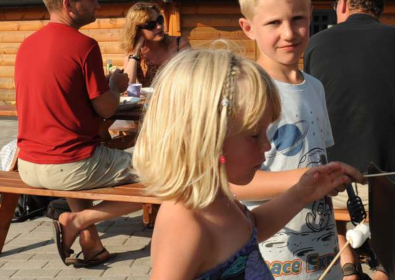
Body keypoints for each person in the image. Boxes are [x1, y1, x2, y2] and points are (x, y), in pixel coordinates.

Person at [134, 48, 361, 280]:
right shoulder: (185, 223)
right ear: (208, 137)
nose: (267, 145)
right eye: (255, 135)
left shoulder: (219, 197)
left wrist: (302, 194)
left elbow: (252, 227)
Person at [303, 0, 395, 280]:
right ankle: (384, 268)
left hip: (331, 185)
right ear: (379, 9)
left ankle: (347, 262)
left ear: (341, 4)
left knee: (325, 169)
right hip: (386, 184)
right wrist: (394, 107)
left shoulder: (316, 44)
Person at [233, 0, 357, 280]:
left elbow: (312, 159)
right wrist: (307, 181)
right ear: (248, 28)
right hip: (268, 258)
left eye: (298, 18)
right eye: (274, 23)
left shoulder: (314, 87)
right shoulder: (246, 91)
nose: (289, 33)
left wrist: (327, 178)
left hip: (322, 253)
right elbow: (229, 186)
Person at [14, 0, 141, 267]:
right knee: (170, 175)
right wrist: (115, 85)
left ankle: (91, 244)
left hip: (29, 164)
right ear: (69, 4)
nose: (98, 5)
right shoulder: (83, 46)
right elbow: (107, 110)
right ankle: (79, 219)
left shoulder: (26, 45)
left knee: (81, 151)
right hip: (69, 164)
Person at [120, 2, 191, 87]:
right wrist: (135, 54)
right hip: (148, 100)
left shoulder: (179, 45)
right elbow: (127, 86)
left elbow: (190, 80)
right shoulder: (132, 51)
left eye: (160, 20)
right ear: (137, 30)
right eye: (151, 25)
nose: (159, 27)